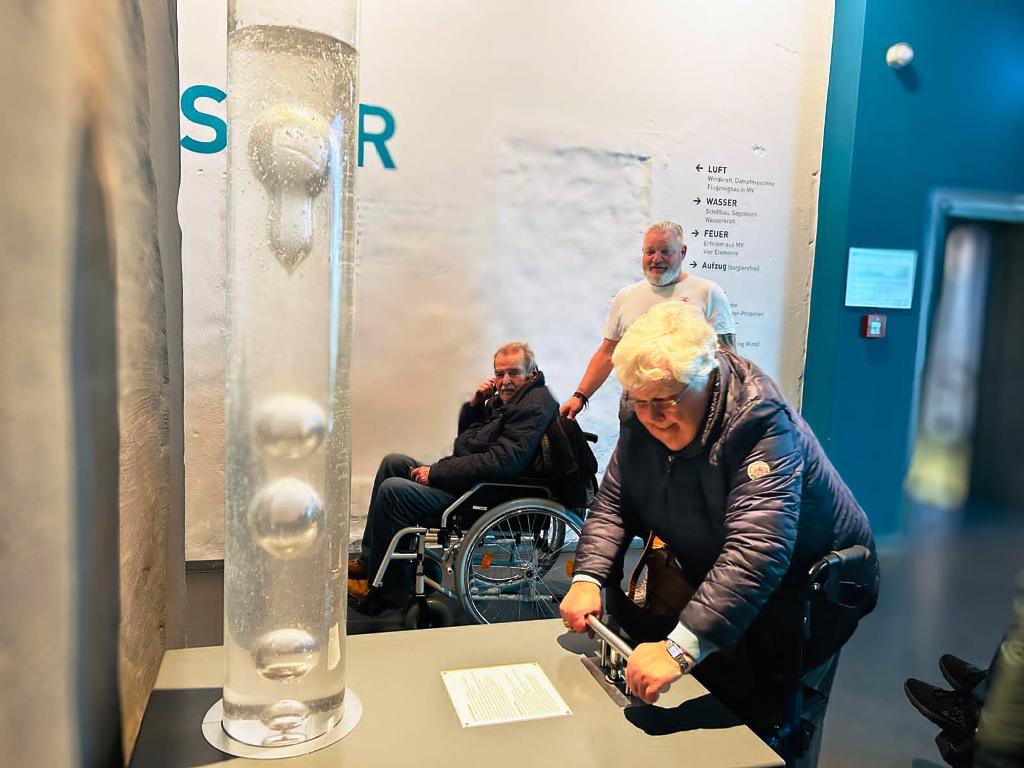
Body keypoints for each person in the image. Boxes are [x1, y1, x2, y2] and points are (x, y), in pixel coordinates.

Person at [559, 301, 879, 767]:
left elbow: (756, 550)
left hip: (811, 592)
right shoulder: (642, 401)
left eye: (666, 400)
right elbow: (616, 498)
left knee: (779, 723)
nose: (651, 415)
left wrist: (678, 648)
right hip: (723, 581)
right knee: (718, 701)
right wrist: (588, 576)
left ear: (706, 377)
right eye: (640, 401)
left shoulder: (760, 420)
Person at [348, 341, 558, 614]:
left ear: (531, 373)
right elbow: (470, 440)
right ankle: (370, 562)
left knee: (394, 491)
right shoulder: (510, 400)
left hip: (485, 492)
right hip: (472, 480)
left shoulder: (532, 406)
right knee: (394, 464)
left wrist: (436, 473)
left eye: (513, 373)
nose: (505, 381)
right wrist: (475, 406)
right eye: (499, 373)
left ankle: (390, 588)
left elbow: (503, 462)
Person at [560, 220, 736, 420]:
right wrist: (580, 396)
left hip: (690, 410)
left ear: (683, 252)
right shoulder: (626, 296)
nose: (656, 259)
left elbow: (727, 357)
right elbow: (607, 353)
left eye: (665, 251)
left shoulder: (708, 293)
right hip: (636, 407)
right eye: (650, 252)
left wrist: (725, 411)